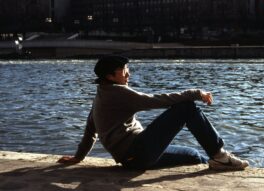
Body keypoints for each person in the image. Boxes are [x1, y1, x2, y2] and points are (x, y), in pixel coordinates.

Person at [57, 55, 249, 170]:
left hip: (132, 159)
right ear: (110, 76)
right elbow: (156, 100)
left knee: (194, 156)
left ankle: (216, 160)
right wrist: (196, 93)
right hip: (137, 152)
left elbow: (91, 130)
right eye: (124, 71)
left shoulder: (101, 94)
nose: (128, 74)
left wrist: (78, 157)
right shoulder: (118, 93)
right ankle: (220, 155)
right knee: (186, 107)